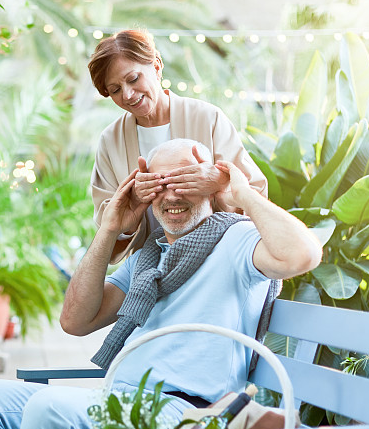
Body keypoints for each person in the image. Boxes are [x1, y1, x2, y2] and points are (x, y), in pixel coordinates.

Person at [0, 140, 321, 429]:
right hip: (121, 401)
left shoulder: (237, 240)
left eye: (186, 181)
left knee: (50, 412)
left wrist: (238, 190)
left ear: (209, 185)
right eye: (159, 185)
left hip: (184, 416)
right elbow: (75, 321)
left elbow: (303, 254)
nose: (172, 195)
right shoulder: (150, 258)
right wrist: (111, 227)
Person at [88, 29, 269, 264]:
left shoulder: (208, 118)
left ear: (156, 66)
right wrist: (131, 202)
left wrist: (218, 184)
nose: (129, 95)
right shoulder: (111, 140)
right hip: (149, 265)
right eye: (115, 90)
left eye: (133, 79)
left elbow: (255, 192)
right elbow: (106, 224)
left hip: (216, 261)